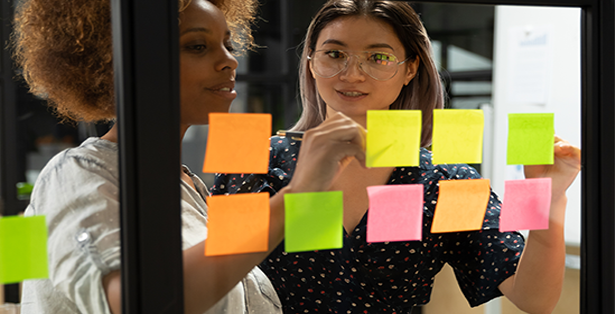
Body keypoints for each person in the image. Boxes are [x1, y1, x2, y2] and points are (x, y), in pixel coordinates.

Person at [212, 0, 582, 313]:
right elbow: (211, 283)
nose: (352, 73)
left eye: (378, 57)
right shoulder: (257, 163)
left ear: (410, 69)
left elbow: (534, 298)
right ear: (311, 62)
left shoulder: (443, 181)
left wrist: (549, 199)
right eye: (334, 54)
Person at [12, 0, 368, 313]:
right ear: (127, 60)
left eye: (227, 44)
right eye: (198, 46)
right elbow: (140, 302)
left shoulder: (189, 187)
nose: (229, 60)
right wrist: (298, 196)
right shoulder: (77, 174)